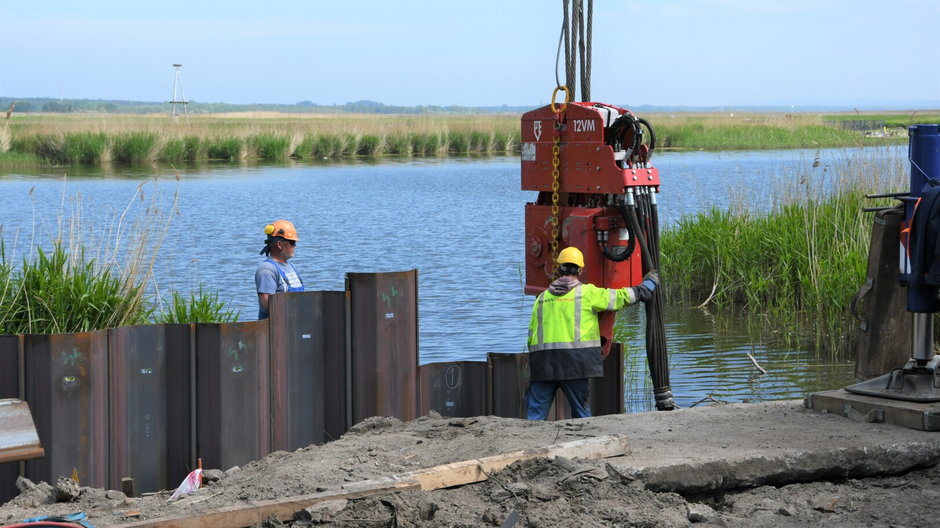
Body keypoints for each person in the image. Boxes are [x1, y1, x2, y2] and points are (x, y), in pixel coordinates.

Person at [526, 246, 658, 420]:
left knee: (535, 418)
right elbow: (620, 298)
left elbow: (531, 335)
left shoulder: (542, 297)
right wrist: (646, 287)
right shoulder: (587, 293)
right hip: (575, 364)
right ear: (580, 270)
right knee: (582, 416)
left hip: (543, 364)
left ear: (558, 268)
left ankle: (530, 445)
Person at [255, 219, 304, 319]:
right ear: (279, 244)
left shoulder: (291, 266)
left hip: (294, 324)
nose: (295, 245)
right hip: (276, 329)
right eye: (292, 242)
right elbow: (268, 305)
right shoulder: (267, 270)